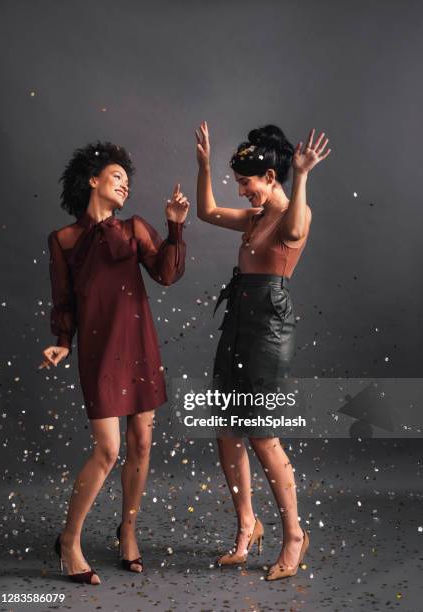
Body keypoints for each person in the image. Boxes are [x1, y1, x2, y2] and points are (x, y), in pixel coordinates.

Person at [39, 141, 189, 584]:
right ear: (92, 180)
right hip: (99, 351)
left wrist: (176, 229)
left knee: (141, 443)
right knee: (108, 449)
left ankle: (128, 528)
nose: (125, 184)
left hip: (139, 345)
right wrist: (62, 342)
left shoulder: (134, 228)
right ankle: (70, 540)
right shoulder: (63, 240)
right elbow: (64, 299)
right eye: (117, 176)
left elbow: (166, 273)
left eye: (128, 180)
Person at [195, 121, 330, 580]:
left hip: (270, 325)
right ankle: (247, 527)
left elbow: (293, 229)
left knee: (260, 432)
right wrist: (202, 165)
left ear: (270, 177)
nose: (241, 191)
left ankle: (294, 534)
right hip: (238, 319)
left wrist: (303, 174)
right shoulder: (254, 218)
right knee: (227, 429)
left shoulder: (295, 213)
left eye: (246, 182)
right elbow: (206, 211)